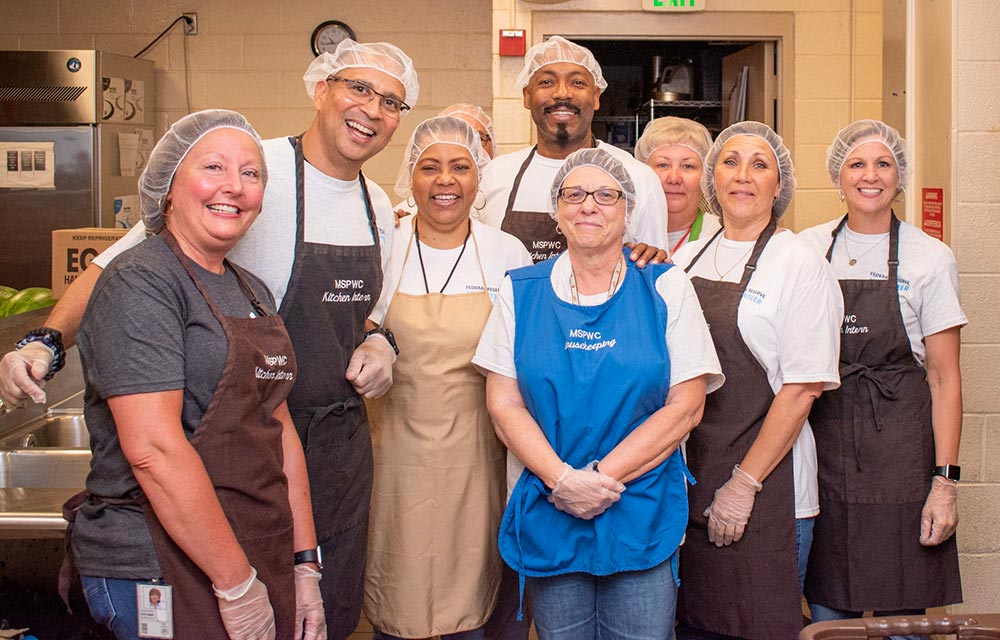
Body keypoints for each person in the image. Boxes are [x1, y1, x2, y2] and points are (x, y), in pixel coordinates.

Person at [0, 39, 418, 640]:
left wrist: (382, 342)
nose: (372, 110)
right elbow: (114, 265)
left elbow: (367, 309)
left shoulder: (375, 203)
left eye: (391, 101)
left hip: (321, 445)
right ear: (320, 88)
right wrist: (45, 338)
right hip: (216, 457)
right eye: (358, 88)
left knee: (323, 607)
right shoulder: (251, 167)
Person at [70, 109, 324, 640]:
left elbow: (277, 430)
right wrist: (234, 584)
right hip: (158, 561)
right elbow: (154, 451)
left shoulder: (250, 288)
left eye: (251, 173)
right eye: (213, 167)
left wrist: (304, 562)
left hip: (251, 549)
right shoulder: (140, 283)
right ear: (168, 188)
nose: (234, 186)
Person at [473, 147, 723, 640]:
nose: (589, 205)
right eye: (575, 194)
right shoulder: (520, 291)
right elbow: (504, 405)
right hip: (551, 503)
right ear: (557, 210)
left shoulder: (666, 286)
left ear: (628, 209)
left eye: (606, 195)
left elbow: (687, 406)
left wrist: (597, 480)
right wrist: (563, 481)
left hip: (640, 505)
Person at [670, 121, 843, 640]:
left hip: (768, 489)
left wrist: (743, 486)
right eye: (730, 161)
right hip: (692, 478)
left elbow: (803, 388)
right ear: (712, 178)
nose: (742, 176)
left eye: (759, 165)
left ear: (778, 185)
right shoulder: (687, 257)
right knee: (697, 625)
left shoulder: (799, 263)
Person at [364, 116, 531, 640]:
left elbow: (525, 358)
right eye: (429, 167)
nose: (445, 180)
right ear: (409, 177)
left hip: (478, 455)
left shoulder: (506, 253)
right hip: (391, 454)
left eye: (460, 167)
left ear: (477, 179)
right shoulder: (383, 245)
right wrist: (373, 338)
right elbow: (356, 324)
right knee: (397, 586)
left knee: (471, 597)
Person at [799, 120, 964, 629]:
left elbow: (945, 378)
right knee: (828, 613)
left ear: (900, 176)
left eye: (883, 163)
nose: (870, 176)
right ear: (838, 175)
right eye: (857, 164)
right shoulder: (807, 248)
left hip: (903, 455)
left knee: (902, 621)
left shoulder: (930, 257)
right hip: (824, 448)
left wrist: (945, 483)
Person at [479, 36, 668, 264]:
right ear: (527, 96)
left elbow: (652, 274)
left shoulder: (637, 177)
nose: (562, 93)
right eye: (546, 82)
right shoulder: (495, 174)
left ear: (596, 97)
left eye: (577, 83)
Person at [633, 116, 721, 255]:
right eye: (663, 165)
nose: (674, 178)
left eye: (688, 166)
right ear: (643, 172)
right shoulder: (625, 234)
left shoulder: (718, 236)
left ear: (706, 177)